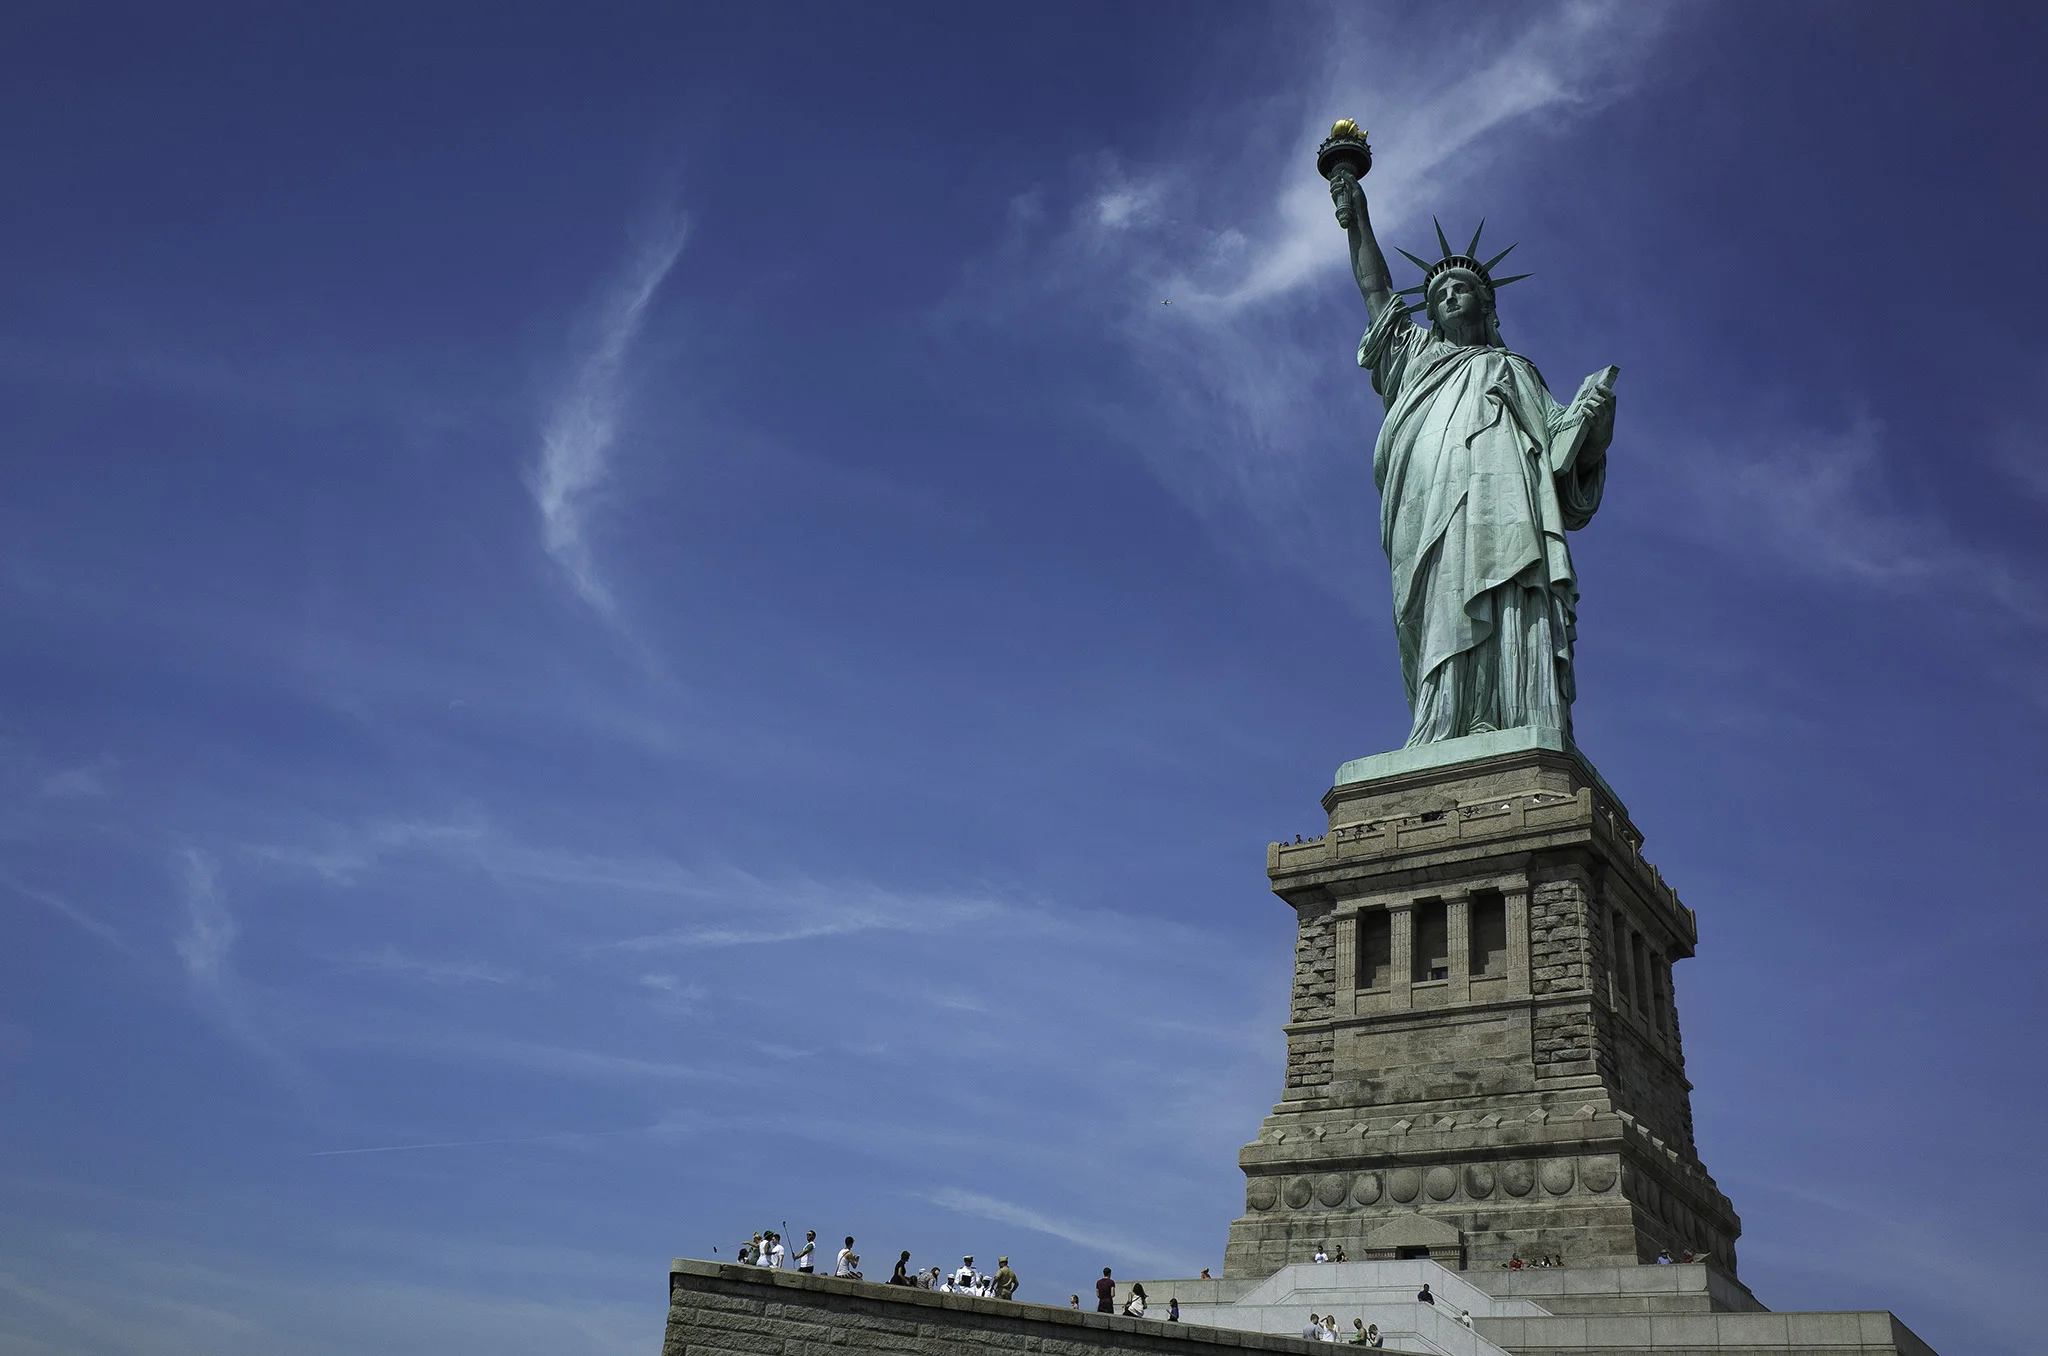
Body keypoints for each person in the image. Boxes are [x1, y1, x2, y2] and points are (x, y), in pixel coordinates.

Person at [1325, 161, 1616, 748]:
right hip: (1428, 508)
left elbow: (1565, 462)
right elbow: (1377, 291)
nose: (1453, 295)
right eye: (1440, 294)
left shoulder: (1515, 371)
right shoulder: (1413, 363)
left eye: (1464, 289)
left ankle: (1515, 714)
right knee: (1437, 605)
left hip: (1505, 510)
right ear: (1429, 314)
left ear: (1488, 306)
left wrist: (1594, 421)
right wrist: (1358, 221)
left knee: (1510, 588)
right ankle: (1443, 722)